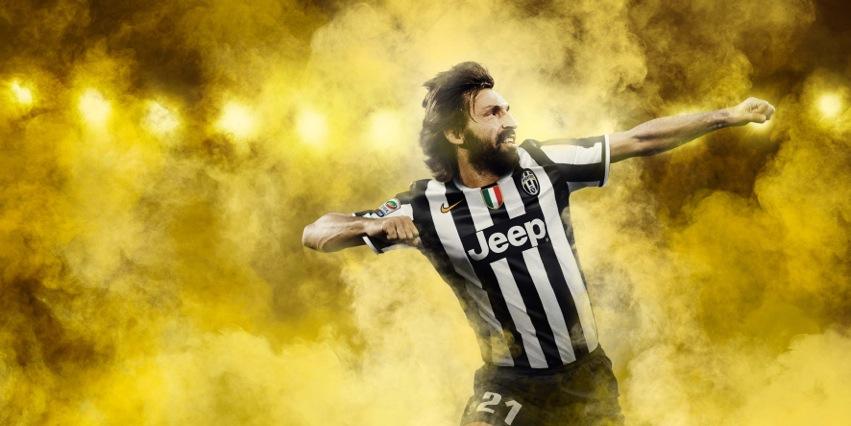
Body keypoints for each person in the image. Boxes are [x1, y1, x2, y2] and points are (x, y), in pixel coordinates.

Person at [301, 62, 774, 426]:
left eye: (507, 109)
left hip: (587, 378)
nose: (509, 120)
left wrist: (727, 116)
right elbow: (317, 232)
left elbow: (638, 140)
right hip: (510, 384)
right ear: (456, 133)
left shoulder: (543, 164)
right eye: (492, 113)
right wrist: (369, 227)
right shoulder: (425, 205)